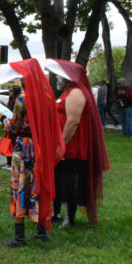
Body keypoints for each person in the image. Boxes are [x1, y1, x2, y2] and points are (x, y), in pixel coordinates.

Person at [0, 59, 64, 247]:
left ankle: (19, 237)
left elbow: (15, 125)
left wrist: (1, 118)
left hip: (24, 147)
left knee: (20, 186)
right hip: (42, 146)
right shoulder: (48, 97)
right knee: (39, 183)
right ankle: (41, 231)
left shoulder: (22, 99)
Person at [47, 59, 112, 228]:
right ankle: (58, 214)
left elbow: (73, 122)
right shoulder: (68, 92)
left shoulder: (75, 93)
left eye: (61, 76)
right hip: (67, 146)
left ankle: (69, 218)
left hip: (72, 148)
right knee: (61, 182)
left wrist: (61, 144)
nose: (58, 79)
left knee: (69, 184)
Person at [2, 85, 22, 170]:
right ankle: (8, 163)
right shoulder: (10, 100)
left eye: (11, 91)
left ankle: (13, 164)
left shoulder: (18, 101)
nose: (10, 92)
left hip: (14, 126)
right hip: (9, 124)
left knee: (14, 145)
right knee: (8, 144)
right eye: (9, 91)